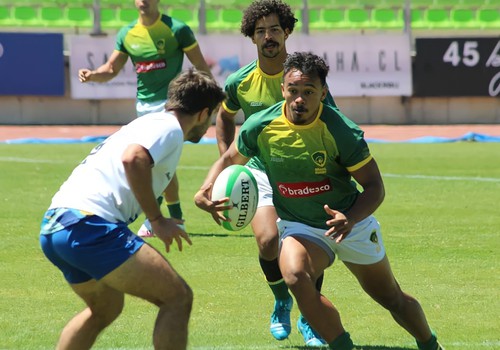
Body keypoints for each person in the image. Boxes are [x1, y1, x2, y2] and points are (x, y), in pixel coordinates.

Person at [195, 52, 444, 350]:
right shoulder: (260, 125)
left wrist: (349, 219)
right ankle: (342, 345)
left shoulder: (341, 130)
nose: (300, 99)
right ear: (284, 89)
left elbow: (375, 187)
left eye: (309, 92)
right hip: (301, 226)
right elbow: (229, 158)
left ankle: (430, 344)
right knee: (295, 275)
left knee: (391, 297)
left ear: (323, 93)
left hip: (351, 221)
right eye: (294, 91)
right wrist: (205, 189)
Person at [40, 68, 226, 350]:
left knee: (106, 307)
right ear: (203, 113)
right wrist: (157, 219)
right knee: (177, 298)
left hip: (56, 226)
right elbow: (133, 159)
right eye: (211, 116)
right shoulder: (171, 129)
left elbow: (156, 172)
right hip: (89, 227)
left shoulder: (151, 124)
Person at [215, 0, 336, 345]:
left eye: (274, 30)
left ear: (287, 32)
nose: (268, 36)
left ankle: (310, 317)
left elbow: (331, 122)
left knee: (309, 244)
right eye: (260, 31)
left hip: (304, 172)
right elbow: (224, 117)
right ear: (251, 37)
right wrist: (227, 163)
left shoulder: (306, 77)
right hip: (260, 173)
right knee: (268, 242)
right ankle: (282, 299)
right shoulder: (240, 81)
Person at [78, 0, 213, 237]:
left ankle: (158, 219)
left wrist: (211, 98)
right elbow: (111, 69)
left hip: (171, 108)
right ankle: (175, 217)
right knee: (160, 165)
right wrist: (92, 75)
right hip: (143, 107)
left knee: (159, 164)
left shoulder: (177, 29)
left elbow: (200, 64)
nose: (144, 0)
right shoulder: (128, 33)